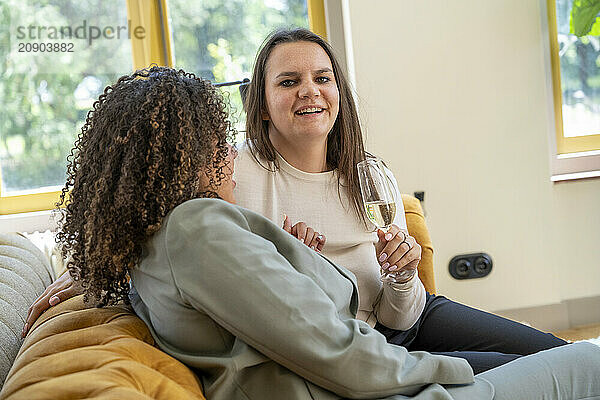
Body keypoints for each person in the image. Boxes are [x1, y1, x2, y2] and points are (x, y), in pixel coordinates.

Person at [25, 65, 600, 400]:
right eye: (289, 81)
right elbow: (336, 350)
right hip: (372, 370)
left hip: (394, 324)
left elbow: (301, 311)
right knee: (589, 365)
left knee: (555, 354)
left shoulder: (368, 172)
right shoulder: (202, 217)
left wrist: (346, 267)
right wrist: (453, 372)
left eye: (323, 78)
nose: (310, 92)